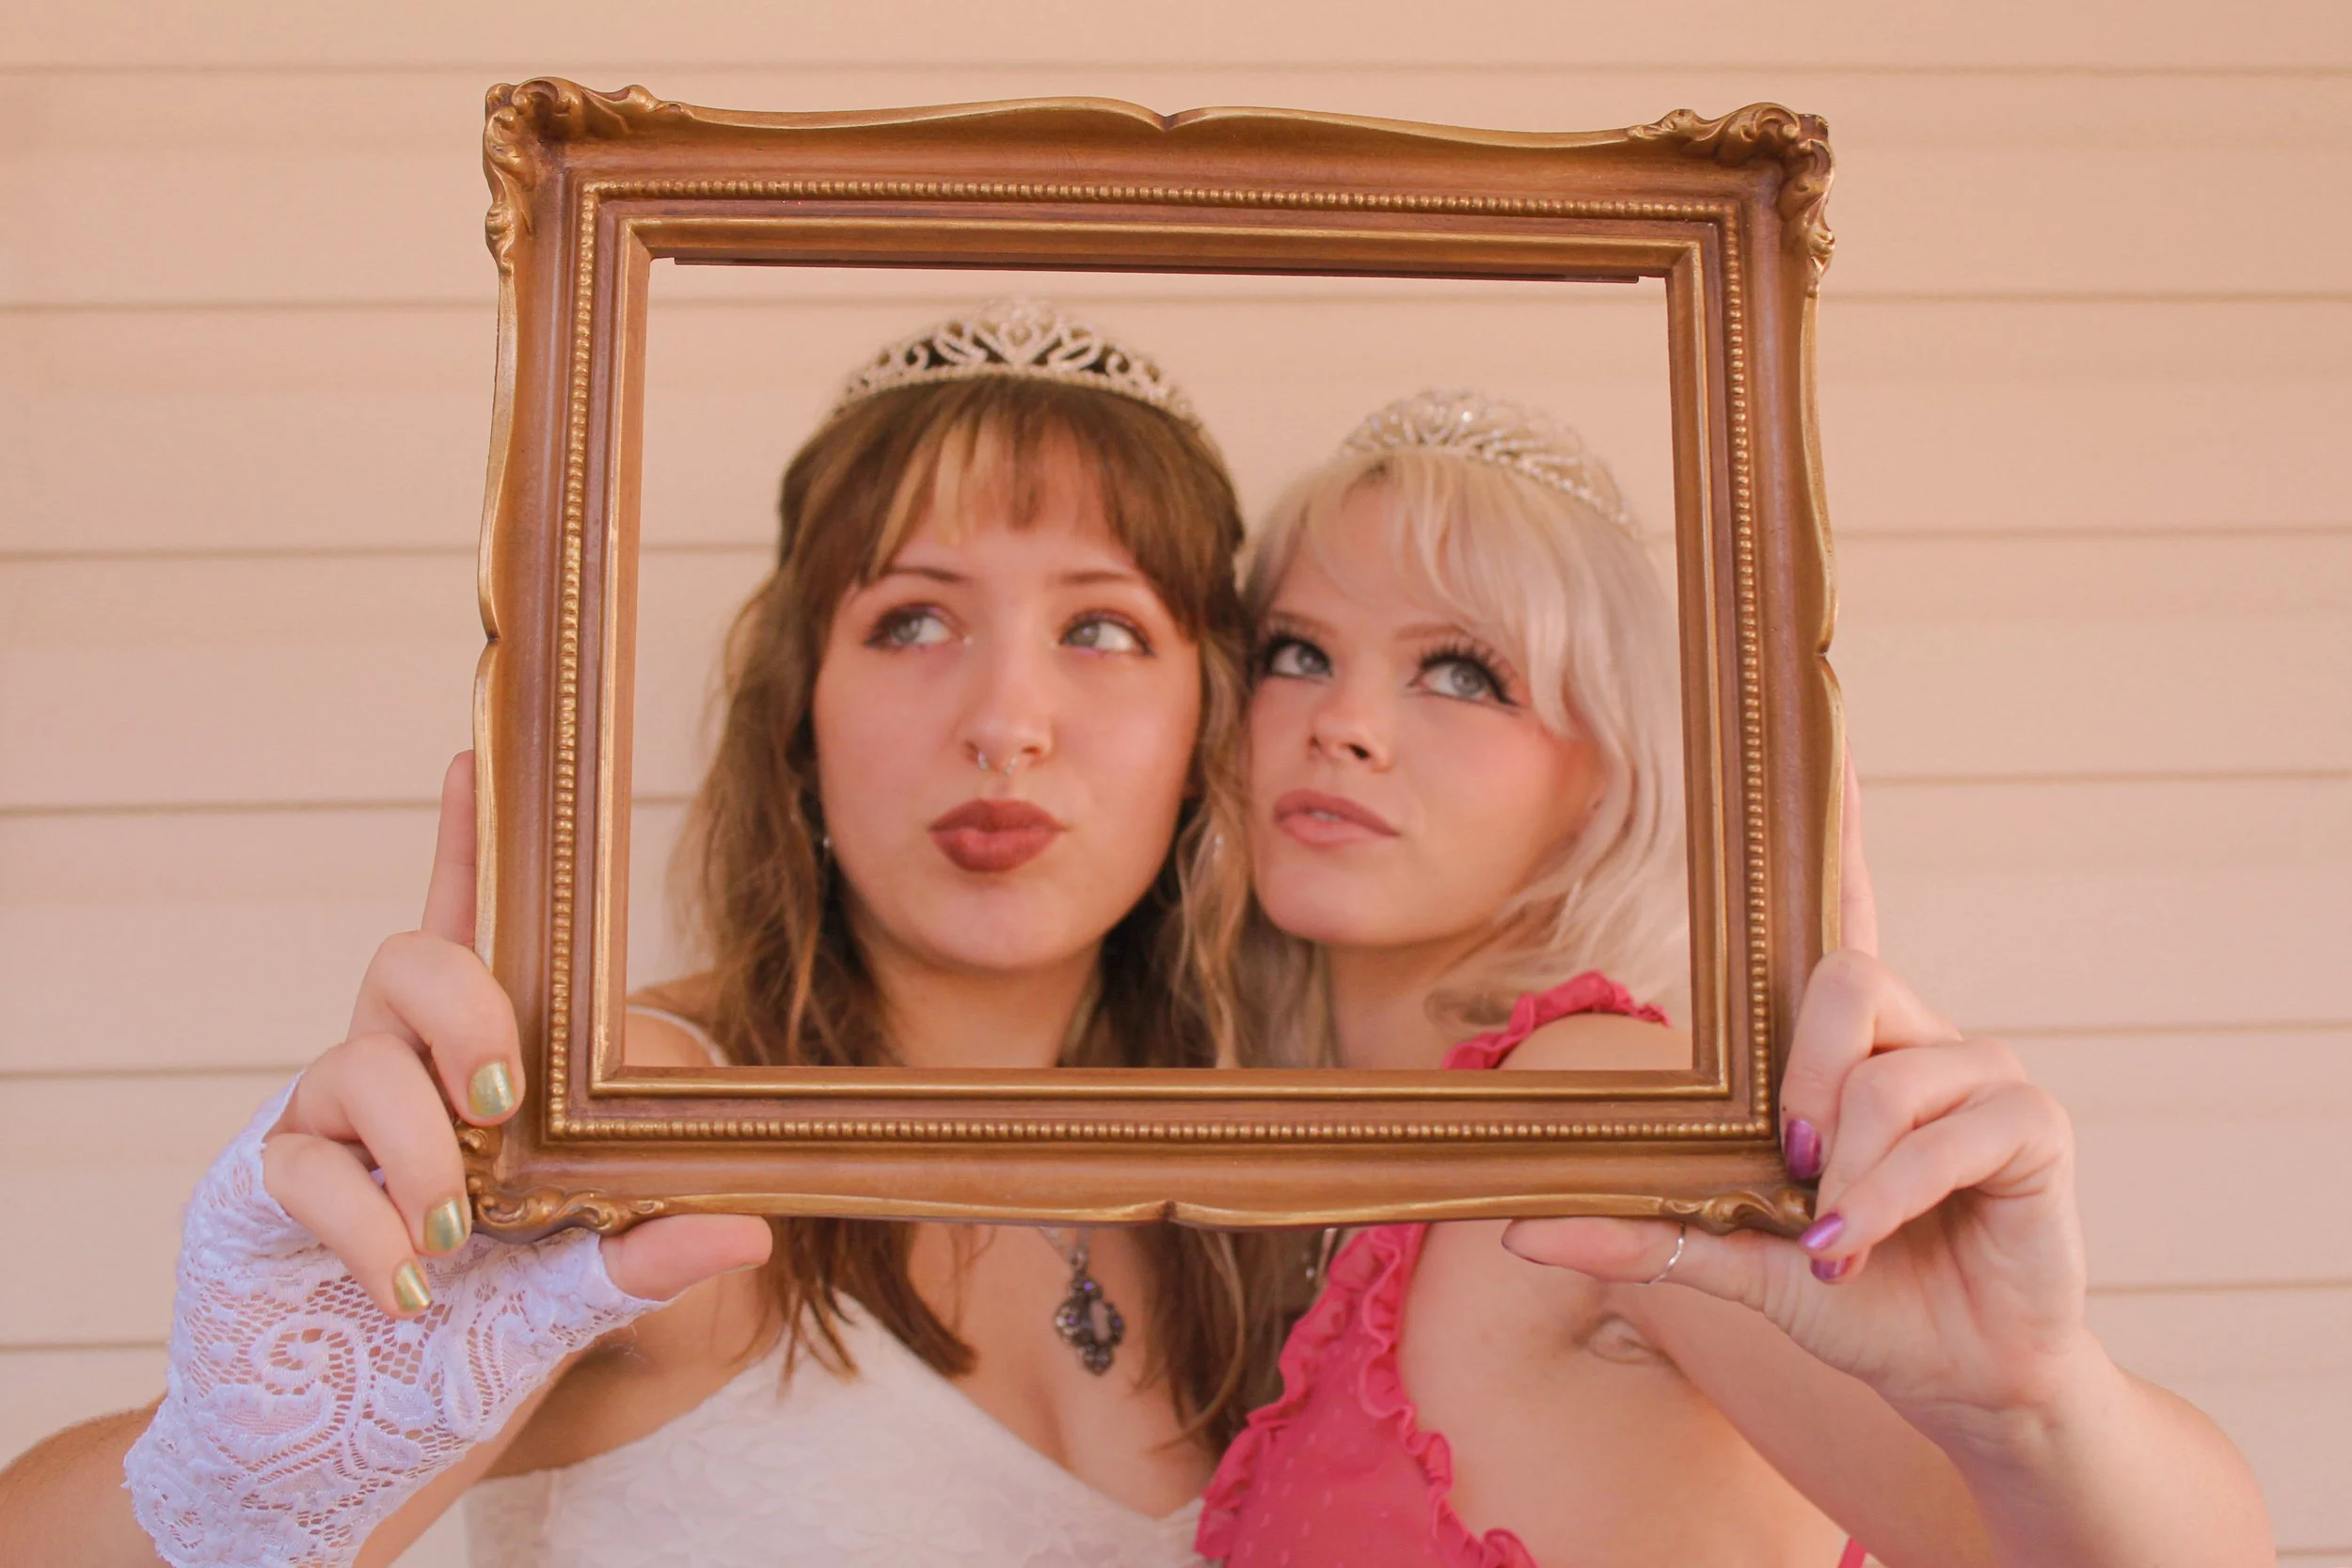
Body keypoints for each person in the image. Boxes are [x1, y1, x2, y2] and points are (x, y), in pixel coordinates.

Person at [0, 300, 1295, 1568]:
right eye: (912, 619)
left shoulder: (1280, 1180)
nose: (1009, 718)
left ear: (1205, 729)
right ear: (800, 717)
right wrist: (241, 1472)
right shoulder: (640, 1113)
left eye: (1102, 627)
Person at [1198, 390, 2275, 1567]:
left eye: (1461, 672)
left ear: (1609, 771)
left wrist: (2032, 1399)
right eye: (1296, 654)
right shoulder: (1304, 1170)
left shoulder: (1602, 1101)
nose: (1342, 721)